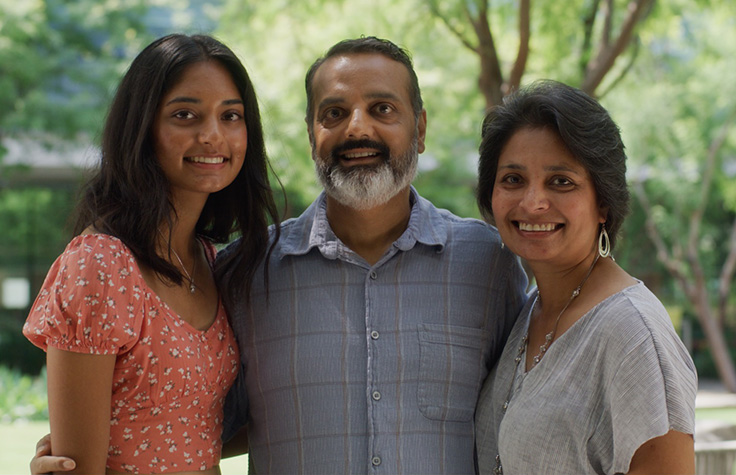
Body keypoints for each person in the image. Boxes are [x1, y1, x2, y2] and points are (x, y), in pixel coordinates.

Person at [30, 36, 528, 474]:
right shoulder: (246, 270)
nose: (358, 129)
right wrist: (80, 451)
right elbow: (183, 419)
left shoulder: (489, 265)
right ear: (311, 131)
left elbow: (531, 408)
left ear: (419, 128)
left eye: (383, 109)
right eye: (334, 113)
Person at [23, 33, 279, 474]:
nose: (212, 135)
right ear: (141, 129)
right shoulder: (99, 265)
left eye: (230, 115)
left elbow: (191, 428)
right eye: (185, 115)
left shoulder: (208, 261)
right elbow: (76, 467)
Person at [473, 80, 697, 474]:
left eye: (561, 181)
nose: (533, 202)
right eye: (513, 179)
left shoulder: (632, 333)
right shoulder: (530, 312)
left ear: (603, 205)